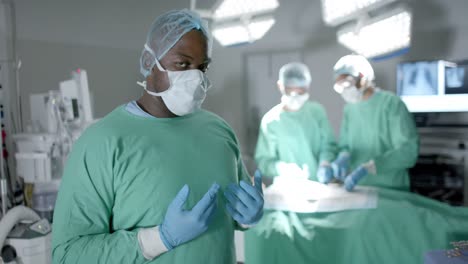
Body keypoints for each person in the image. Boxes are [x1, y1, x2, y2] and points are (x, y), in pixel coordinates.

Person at [52, 9, 264, 264]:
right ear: (148, 60)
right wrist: (159, 239)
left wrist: (245, 217)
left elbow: (231, 212)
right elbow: (68, 255)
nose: (195, 78)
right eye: (183, 64)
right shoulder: (102, 142)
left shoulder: (219, 132)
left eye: (202, 67)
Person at [330, 54, 419, 191]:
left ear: (363, 78)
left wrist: (372, 166)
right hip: (359, 187)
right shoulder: (350, 108)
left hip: (391, 188)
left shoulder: (391, 104)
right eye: (340, 86)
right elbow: (345, 144)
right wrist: (343, 155)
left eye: (347, 83)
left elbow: (408, 152)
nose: (345, 90)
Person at [255, 62, 337, 183]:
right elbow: (264, 161)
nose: (295, 96)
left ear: (308, 86)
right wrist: (282, 169)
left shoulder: (316, 112)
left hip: (318, 184)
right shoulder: (270, 121)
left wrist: (325, 163)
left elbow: (329, 145)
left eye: (300, 91)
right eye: (290, 90)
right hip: (286, 189)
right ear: (280, 86)